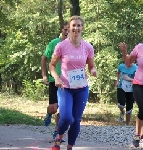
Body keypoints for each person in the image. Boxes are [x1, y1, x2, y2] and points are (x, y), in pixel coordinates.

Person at [49, 15, 97, 150]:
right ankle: (59, 137)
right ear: (69, 28)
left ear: (82, 28)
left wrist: (93, 70)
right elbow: (52, 65)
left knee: (76, 120)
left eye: (79, 25)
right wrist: (56, 78)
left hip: (81, 88)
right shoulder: (61, 46)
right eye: (73, 25)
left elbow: (91, 65)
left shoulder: (88, 47)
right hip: (65, 88)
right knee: (66, 118)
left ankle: (69, 147)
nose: (76, 28)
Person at [41, 22, 68, 139]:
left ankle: (57, 130)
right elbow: (44, 58)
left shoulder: (73, 44)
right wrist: (44, 75)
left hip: (67, 82)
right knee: (53, 108)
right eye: (65, 29)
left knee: (63, 108)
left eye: (69, 30)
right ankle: (48, 114)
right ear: (62, 30)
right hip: (54, 79)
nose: (67, 32)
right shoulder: (54, 43)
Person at [119, 42, 143, 147]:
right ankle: (137, 135)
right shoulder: (139, 47)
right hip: (138, 84)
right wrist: (124, 51)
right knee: (142, 108)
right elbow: (128, 63)